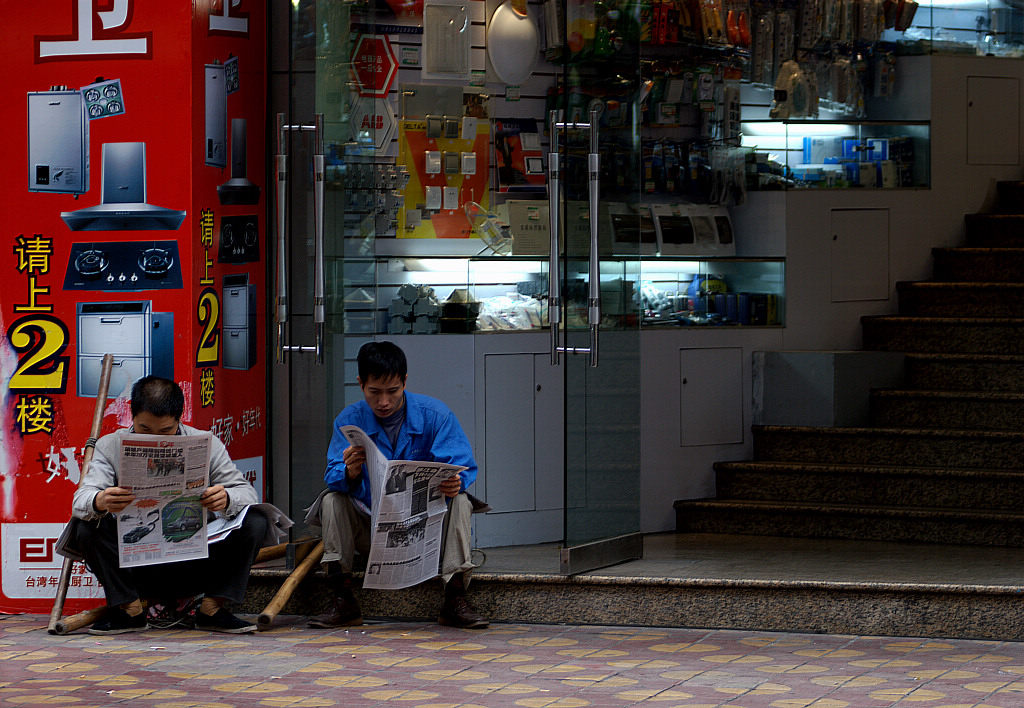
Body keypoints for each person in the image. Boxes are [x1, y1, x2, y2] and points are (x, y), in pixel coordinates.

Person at [306, 341, 487, 629]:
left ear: (404, 382)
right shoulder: (349, 420)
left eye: (392, 391)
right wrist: (349, 473)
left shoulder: (435, 415)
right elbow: (332, 474)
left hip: (426, 530)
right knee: (331, 500)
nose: (384, 402)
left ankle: (455, 596)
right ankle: (342, 598)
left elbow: (462, 466)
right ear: (361, 384)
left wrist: (455, 482)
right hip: (372, 530)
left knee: (463, 500)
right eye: (374, 392)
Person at [72, 376, 269, 635]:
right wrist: (100, 501)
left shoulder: (206, 442)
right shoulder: (111, 445)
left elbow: (247, 493)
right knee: (85, 525)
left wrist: (227, 498)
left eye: (165, 431)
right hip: (135, 566)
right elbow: (81, 500)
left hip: (195, 559)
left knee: (255, 521)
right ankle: (130, 610)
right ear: (132, 416)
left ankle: (211, 609)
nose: (154, 439)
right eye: (144, 430)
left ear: (179, 419)